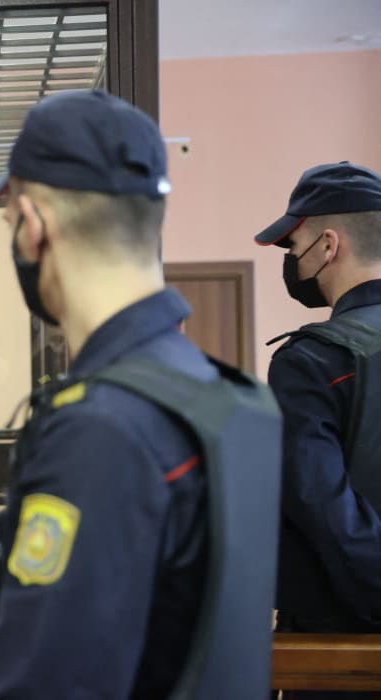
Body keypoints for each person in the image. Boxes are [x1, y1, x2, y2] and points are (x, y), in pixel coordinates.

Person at [0, 89, 281, 699]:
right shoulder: (224, 396)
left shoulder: (104, 427)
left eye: (9, 225)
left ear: (33, 225)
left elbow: (32, 685)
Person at [255, 162, 381, 699]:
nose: (291, 260)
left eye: (294, 245)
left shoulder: (311, 361)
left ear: (328, 245)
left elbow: (324, 509)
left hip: (340, 654)